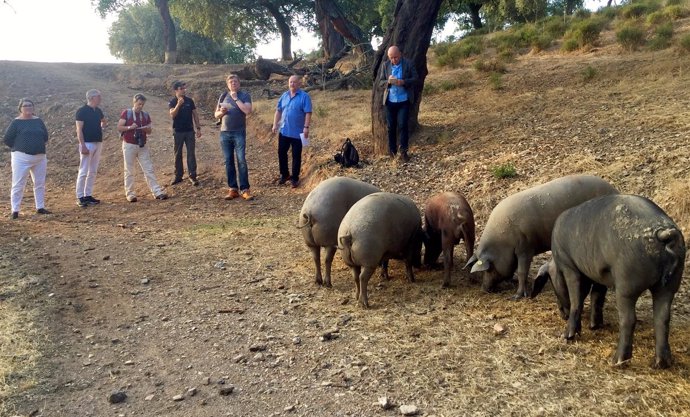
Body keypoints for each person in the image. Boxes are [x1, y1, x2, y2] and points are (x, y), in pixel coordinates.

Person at [3, 98, 50, 219]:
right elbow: (7, 139)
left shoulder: (38, 121)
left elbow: (45, 136)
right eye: (25, 106)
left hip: (39, 157)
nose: (28, 107)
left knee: (39, 183)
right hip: (21, 158)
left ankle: (40, 207)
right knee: (18, 184)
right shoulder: (16, 123)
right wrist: (19, 146)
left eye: (30, 105)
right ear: (20, 108)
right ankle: (15, 210)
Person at [117, 94, 168, 202]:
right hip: (129, 144)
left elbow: (150, 130)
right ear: (134, 102)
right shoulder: (127, 113)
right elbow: (119, 127)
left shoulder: (145, 115)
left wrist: (146, 129)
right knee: (129, 170)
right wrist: (130, 127)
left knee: (148, 168)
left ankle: (157, 191)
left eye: (142, 104)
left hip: (142, 145)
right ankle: (130, 193)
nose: (140, 106)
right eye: (139, 104)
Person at [214, 74, 254, 200]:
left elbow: (247, 111)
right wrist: (222, 112)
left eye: (235, 81)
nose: (233, 84)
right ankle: (233, 189)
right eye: (231, 82)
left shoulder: (244, 95)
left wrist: (236, 99)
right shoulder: (223, 96)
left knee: (241, 160)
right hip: (225, 132)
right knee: (228, 161)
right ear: (227, 84)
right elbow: (216, 115)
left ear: (239, 83)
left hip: (239, 132)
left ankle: (245, 189)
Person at [377, 45, 418, 162]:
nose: (394, 60)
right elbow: (380, 82)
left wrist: (403, 82)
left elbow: (415, 78)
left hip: (403, 100)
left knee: (403, 125)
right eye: (391, 58)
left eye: (395, 57)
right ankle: (392, 152)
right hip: (390, 101)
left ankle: (404, 152)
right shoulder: (385, 65)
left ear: (400, 54)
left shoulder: (408, 64)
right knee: (391, 127)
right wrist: (388, 82)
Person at [271, 75, 312, 188]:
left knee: (296, 155)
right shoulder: (284, 96)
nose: (292, 84)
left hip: (298, 132)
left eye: (294, 82)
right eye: (290, 82)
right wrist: (275, 124)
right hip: (284, 131)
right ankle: (284, 175)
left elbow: (308, 113)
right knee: (281, 153)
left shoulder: (304, 97)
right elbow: (278, 111)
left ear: (299, 83)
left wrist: (306, 127)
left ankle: (295, 178)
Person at [75, 89, 108, 207]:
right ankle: (80, 196)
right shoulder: (82, 111)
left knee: (92, 170)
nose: (100, 99)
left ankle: (88, 194)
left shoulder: (98, 110)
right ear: (92, 98)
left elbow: (104, 121)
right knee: (84, 170)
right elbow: (79, 129)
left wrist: (102, 127)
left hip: (97, 142)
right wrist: (82, 145)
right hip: (87, 143)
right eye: (98, 97)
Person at [169, 80, 202, 186]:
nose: (184, 90)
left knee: (191, 154)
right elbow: (172, 115)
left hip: (189, 131)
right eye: (181, 88)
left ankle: (193, 176)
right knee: (177, 154)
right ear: (176, 90)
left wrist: (198, 128)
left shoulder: (190, 101)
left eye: (184, 88)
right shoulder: (173, 101)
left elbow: (195, 114)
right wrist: (178, 105)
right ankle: (178, 176)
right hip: (178, 131)